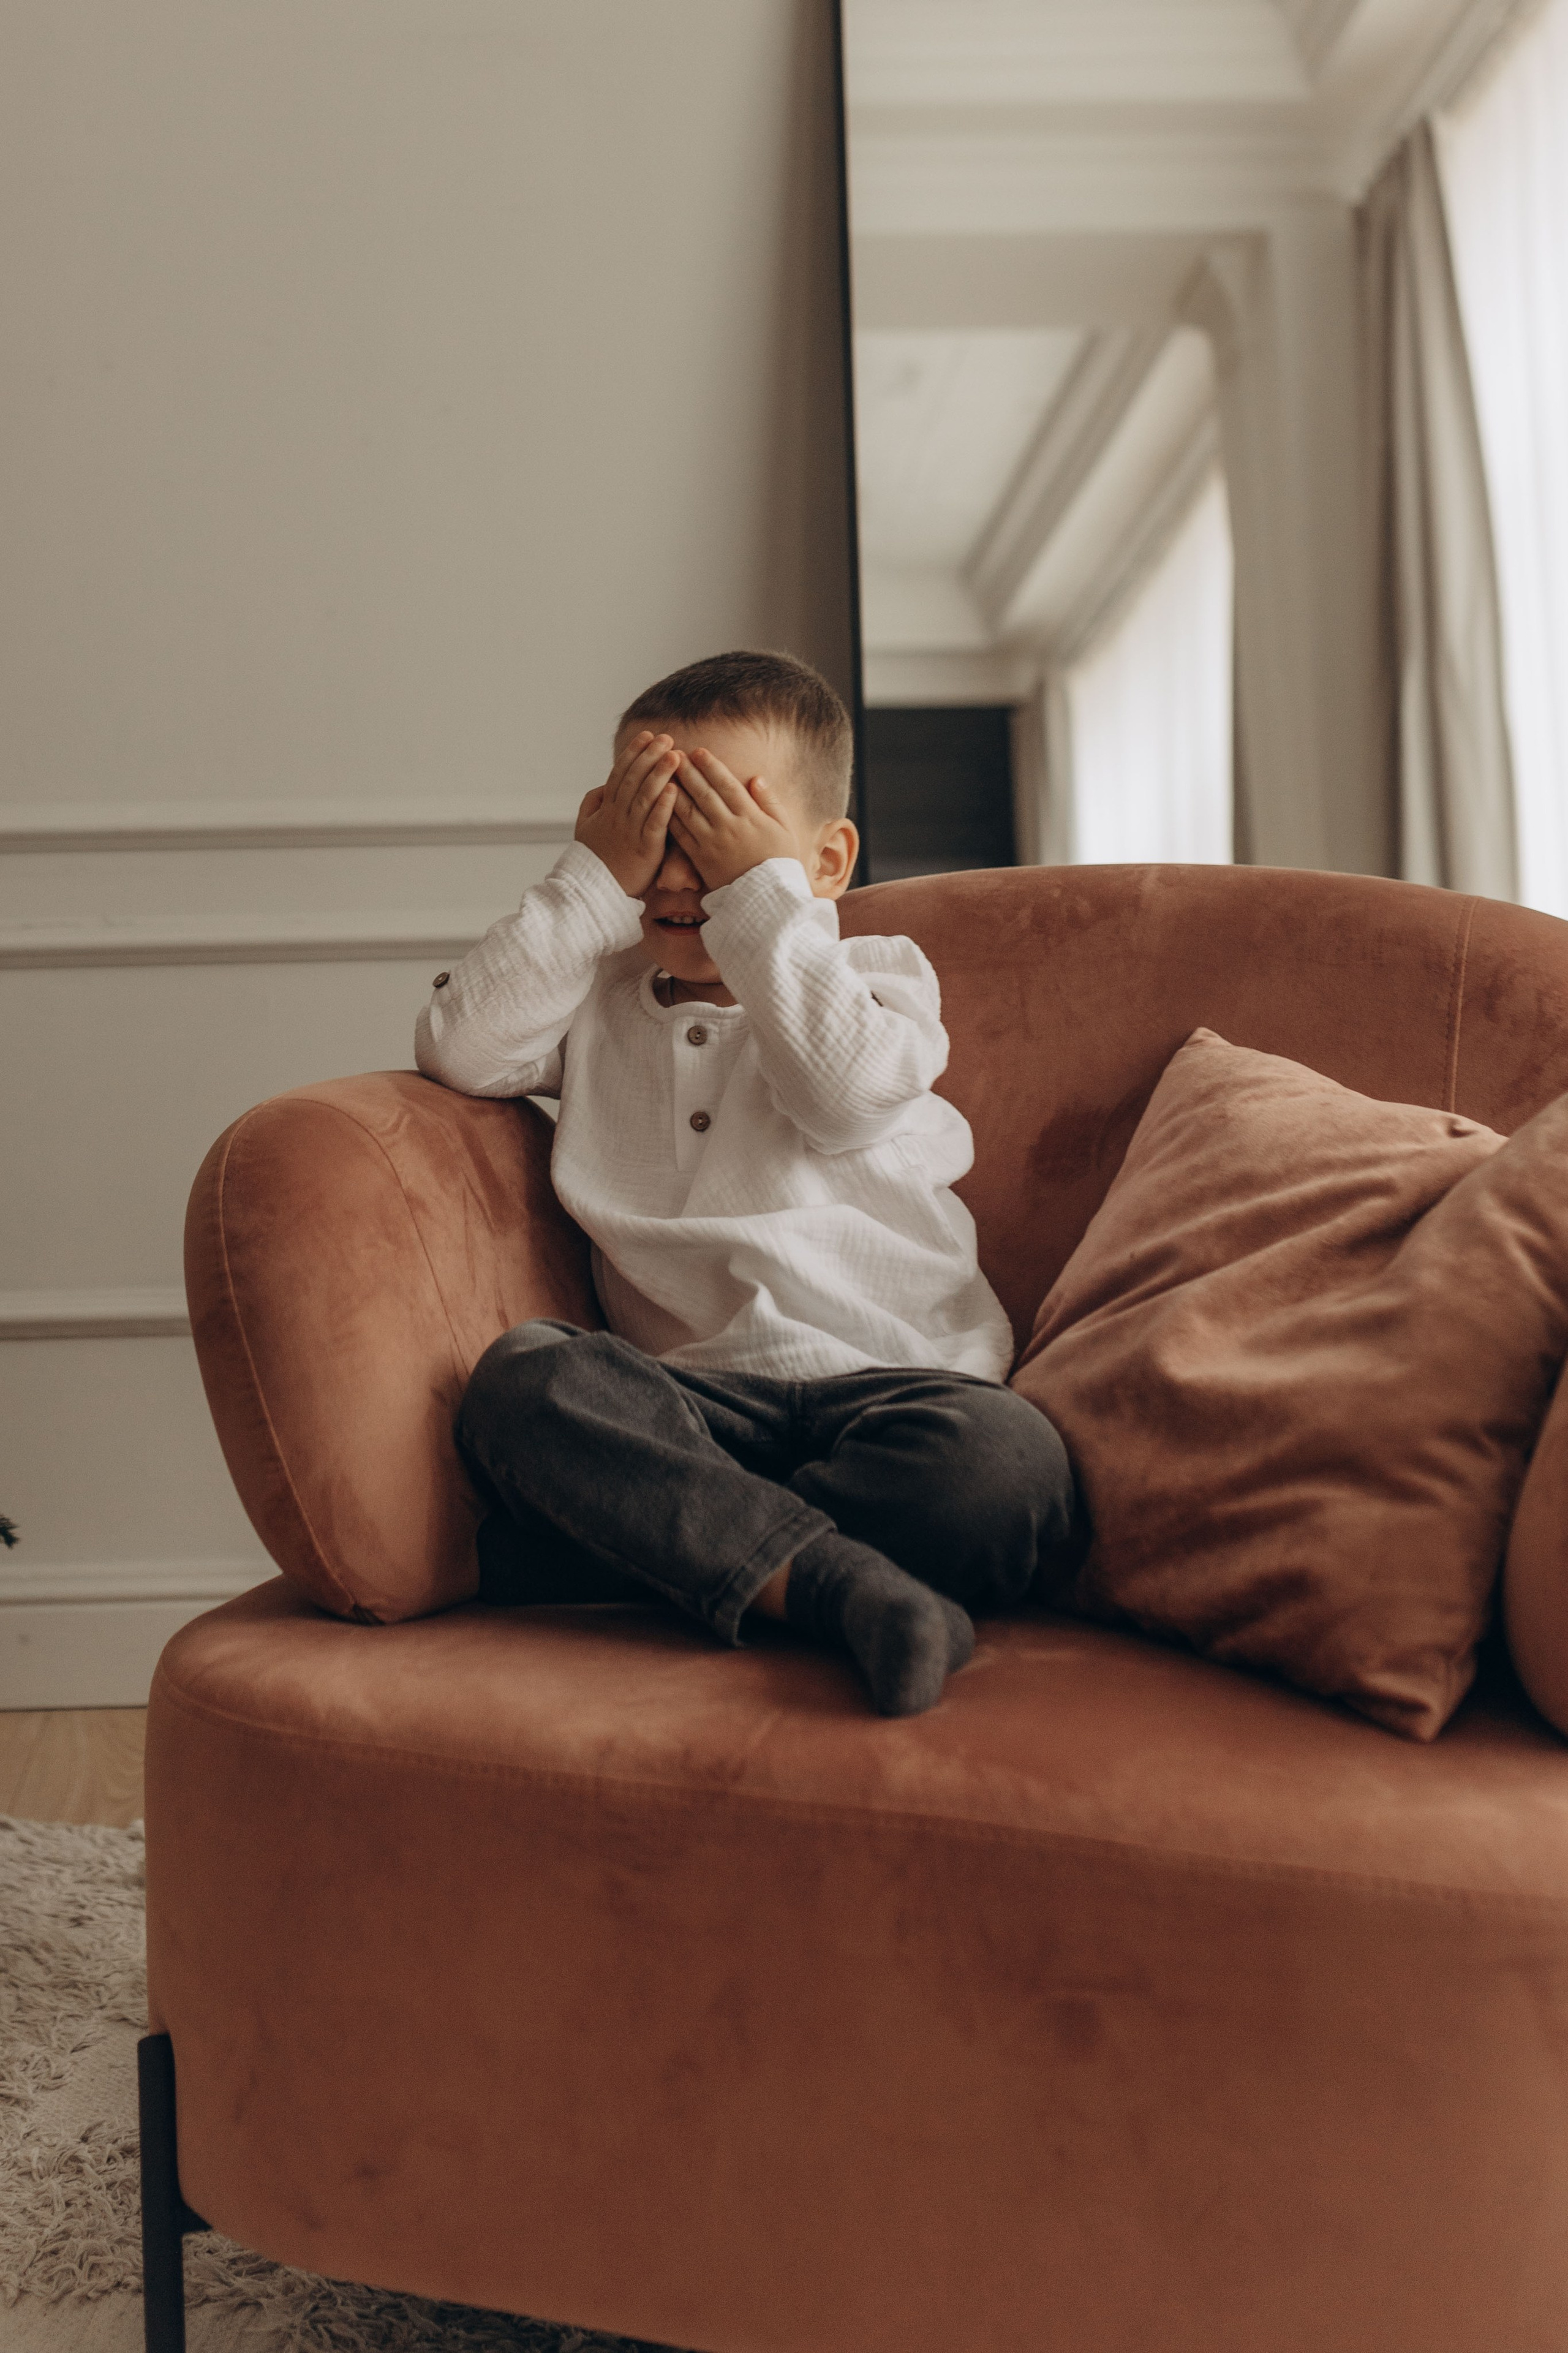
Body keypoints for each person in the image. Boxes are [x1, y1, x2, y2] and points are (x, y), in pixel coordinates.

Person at [416, 649, 1077, 1716]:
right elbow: (461, 1048)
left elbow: (846, 1097)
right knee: (524, 1382)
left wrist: (762, 907)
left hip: (898, 1387)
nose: (681, 871)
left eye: (722, 831)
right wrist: (591, 880)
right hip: (691, 1402)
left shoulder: (879, 982)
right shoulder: (598, 1003)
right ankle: (834, 1585)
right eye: (655, 830)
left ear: (826, 862)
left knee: (1014, 1466)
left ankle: (696, 1554)